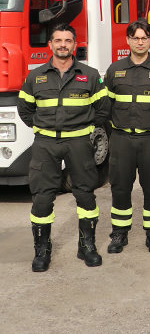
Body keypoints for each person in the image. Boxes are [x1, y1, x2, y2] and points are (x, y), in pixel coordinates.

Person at [18, 24, 109, 271]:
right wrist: (43, 127)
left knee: (85, 193)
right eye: (58, 40)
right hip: (45, 144)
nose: (62, 45)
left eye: (68, 40)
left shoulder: (89, 75)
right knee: (42, 198)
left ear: (74, 44)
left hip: (78, 143)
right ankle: (42, 249)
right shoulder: (34, 76)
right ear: (50, 45)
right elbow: (25, 109)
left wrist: (84, 128)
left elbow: (103, 109)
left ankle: (87, 245)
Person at [104, 19, 150, 255]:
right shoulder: (114, 70)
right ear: (128, 40)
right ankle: (119, 233)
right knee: (120, 188)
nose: (140, 42)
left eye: (144, 37)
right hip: (121, 139)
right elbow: (106, 106)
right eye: (135, 38)